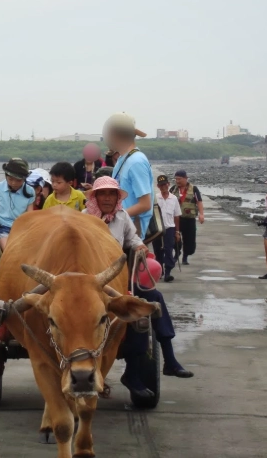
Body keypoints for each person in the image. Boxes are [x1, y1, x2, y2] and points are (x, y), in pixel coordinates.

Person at [82, 176, 193, 401]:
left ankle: (167, 360)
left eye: (111, 194)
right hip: (90, 283)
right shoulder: (84, 219)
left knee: (150, 303)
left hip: (119, 279)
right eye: (102, 194)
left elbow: (133, 239)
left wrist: (140, 246)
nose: (106, 198)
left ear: (117, 198)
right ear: (94, 197)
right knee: (132, 315)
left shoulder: (122, 217)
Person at [104, 112, 153, 236]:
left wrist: (115, 216)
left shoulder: (136, 162)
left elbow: (145, 204)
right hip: (118, 227)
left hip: (131, 230)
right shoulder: (122, 159)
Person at [170, 170, 204, 265]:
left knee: (189, 239)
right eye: (176, 179)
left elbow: (199, 202)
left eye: (179, 179)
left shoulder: (194, 189)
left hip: (189, 219)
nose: (177, 181)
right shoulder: (173, 189)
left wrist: (201, 214)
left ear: (186, 178)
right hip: (176, 218)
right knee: (174, 237)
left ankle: (185, 257)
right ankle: (177, 253)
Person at [152, 175, 181, 282]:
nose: (163, 187)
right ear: (158, 186)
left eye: (165, 184)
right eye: (161, 185)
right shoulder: (155, 198)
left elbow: (177, 215)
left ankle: (168, 272)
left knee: (168, 250)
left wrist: (177, 232)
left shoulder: (173, 199)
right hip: (158, 229)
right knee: (158, 250)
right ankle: (160, 271)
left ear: (168, 184)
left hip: (169, 228)